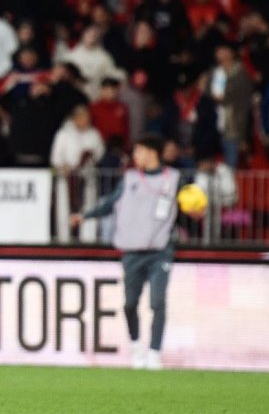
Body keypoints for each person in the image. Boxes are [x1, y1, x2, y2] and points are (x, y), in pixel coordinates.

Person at [70, 134, 200, 370]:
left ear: (152, 153)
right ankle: (136, 346)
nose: (135, 156)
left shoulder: (174, 178)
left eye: (139, 151)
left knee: (157, 302)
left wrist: (197, 211)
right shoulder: (129, 178)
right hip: (131, 252)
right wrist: (85, 216)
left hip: (159, 251)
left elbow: (190, 204)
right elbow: (110, 204)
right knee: (130, 304)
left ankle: (154, 353)